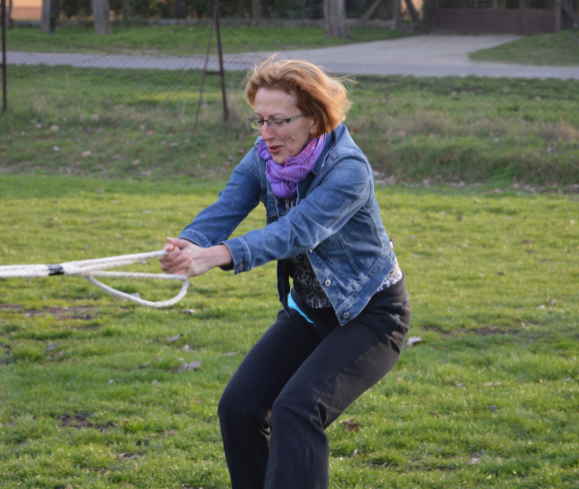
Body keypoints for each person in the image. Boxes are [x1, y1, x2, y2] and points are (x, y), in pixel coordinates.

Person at [159, 57, 411, 489]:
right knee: (239, 407)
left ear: (314, 120)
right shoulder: (263, 158)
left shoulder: (348, 170)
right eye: (259, 120)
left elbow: (296, 233)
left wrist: (219, 255)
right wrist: (190, 245)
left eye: (278, 121)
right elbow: (227, 207)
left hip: (372, 316)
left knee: (297, 409)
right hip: (311, 313)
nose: (266, 133)